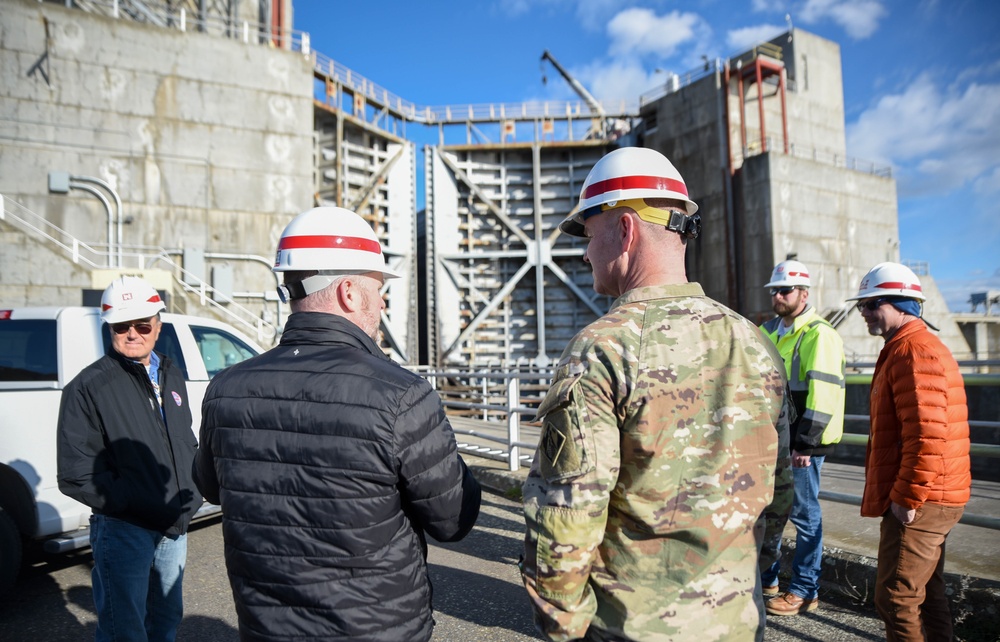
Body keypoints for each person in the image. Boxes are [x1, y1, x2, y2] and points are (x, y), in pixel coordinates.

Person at [520, 146, 793, 642]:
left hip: (633, 627)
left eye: (588, 233)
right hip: (738, 621)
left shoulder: (603, 348)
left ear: (624, 230)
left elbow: (567, 514)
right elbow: (777, 496)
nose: (584, 253)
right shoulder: (756, 344)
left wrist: (565, 628)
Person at [193, 206, 481, 642]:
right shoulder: (400, 395)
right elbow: (452, 519)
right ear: (349, 292)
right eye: (378, 290)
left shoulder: (226, 388)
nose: (383, 303)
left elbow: (211, 488)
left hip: (266, 628)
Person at [57, 276, 199, 642]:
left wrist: (194, 490)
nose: (133, 334)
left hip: (174, 527)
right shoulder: (88, 387)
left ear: (158, 326)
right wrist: (133, 502)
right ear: (109, 327)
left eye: (142, 325)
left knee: (166, 623)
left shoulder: (172, 374)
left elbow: (185, 440)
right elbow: (75, 472)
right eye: (122, 326)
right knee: (125, 631)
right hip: (124, 529)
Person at [847, 262, 971, 641]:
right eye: (861, 306)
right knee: (927, 595)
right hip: (936, 493)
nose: (864, 313)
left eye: (872, 304)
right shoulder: (906, 346)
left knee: (896, 599)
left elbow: (927, 436)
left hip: (924, 498)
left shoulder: (914, 352)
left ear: (902, 304)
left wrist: (906, 495)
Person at [758, 259, 845, 616]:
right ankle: (769, 579)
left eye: (785, 290)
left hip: (801, 445)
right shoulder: (769, 331)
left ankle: (806, 589)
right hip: (775, 441)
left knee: (804, 516)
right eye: (774, 290)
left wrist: (806, 445)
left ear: (804, 294)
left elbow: (824, 395)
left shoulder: (818, 334)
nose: (778, 295)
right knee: (770, 509)